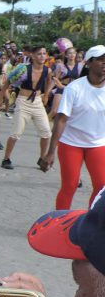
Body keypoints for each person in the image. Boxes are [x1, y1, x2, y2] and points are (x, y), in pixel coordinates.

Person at [43, 45, 105, 209]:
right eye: (101, 60)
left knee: (101, 187)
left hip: (97, 144)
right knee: (70, 186)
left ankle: (92, 223)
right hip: (71, 144)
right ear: (88, 63)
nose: (104, 63)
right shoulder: (75, 88)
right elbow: (61, 120)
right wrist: (50, 152)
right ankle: (59, 224)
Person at [0, 45, 53, 170]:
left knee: (46, 132)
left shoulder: (47, 70)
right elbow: (8, 81)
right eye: (39, 54)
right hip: (23, 101)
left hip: (37, 102)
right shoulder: (23, 69)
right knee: (16, 132)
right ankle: (6, 159)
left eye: (44, 53)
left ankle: (42, 159)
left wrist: (46, 95)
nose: (42, 56)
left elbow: (50, 80)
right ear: (33, 56)